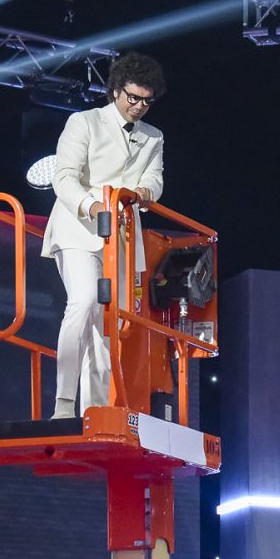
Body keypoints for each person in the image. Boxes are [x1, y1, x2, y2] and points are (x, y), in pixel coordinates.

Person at [41, 51, 166, 419]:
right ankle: (63, 405)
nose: (139, 106)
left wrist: (146, 193)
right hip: (79, 229)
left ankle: (95, 411)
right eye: (133, 97)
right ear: (115, 91)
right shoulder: (84, 122)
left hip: (122, 239)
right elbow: (63, 176)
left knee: (106, 327)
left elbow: (154, 180)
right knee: (81, 304)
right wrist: (91, 206)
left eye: (147, 100)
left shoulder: (153, 137)